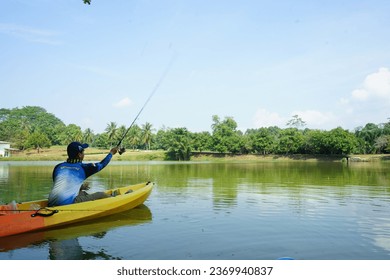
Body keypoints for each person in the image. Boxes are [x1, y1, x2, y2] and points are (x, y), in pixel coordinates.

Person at [48, 142, 118, 207]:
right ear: (79, 155)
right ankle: (114, 199)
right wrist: (111, 153)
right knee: (101, 194)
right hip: (66, 204)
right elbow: (102, 164)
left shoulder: (58, 167)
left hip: (51, 202)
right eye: (83, 152)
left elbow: (60, 185)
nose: (84, 154)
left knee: (83, 193)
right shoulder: (84, 168)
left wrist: (81, 187)